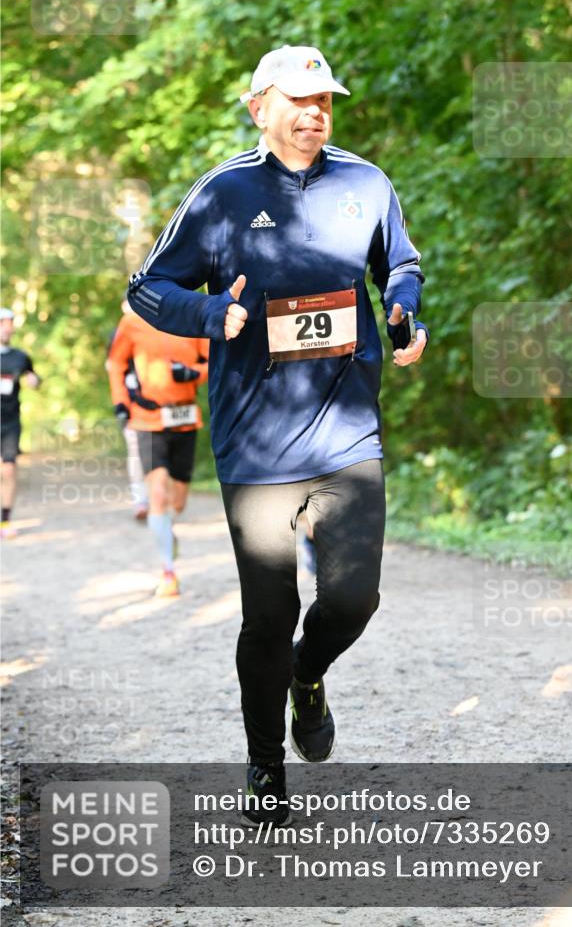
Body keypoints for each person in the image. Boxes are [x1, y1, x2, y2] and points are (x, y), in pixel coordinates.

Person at [127, 44, 428, 824]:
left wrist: (402, 312)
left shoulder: (365, 181)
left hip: (347, 429)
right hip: (256, 441)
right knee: (268, 612)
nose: (314, 113)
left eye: (324, 100)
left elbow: (401, 264)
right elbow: (147, 287)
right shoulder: (222, 194)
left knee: (354, 598)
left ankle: (307, 674)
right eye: (298, 100)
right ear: (258, 107)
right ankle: (265, 764)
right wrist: (205, 314)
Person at [107, 304, 209, 597]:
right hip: (147, 419)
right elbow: (115, 364)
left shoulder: (190, 317)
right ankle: (168, 572)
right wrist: (121, 403)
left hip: (185, 418)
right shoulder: (131, 323)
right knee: (158, 495)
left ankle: (166, 528)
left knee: (177, 503)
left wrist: (194, 374)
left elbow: (214, 361)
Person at [105, 296, 149, 521]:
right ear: (123, 307)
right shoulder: (118, 335)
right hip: (131, 402)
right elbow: (112, 369)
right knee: (135, 449)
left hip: (158, 401)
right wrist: (120, 402)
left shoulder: (154, 329)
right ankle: (140, 500)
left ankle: (159, 497)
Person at [0, 308, 41, 539]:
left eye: (9, 323)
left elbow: (33, 376)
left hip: (10, 421)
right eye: (2, 322)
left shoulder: (20, 357)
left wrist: (33, 380)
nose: (7, 327)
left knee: (8, 469)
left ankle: (4, 521)